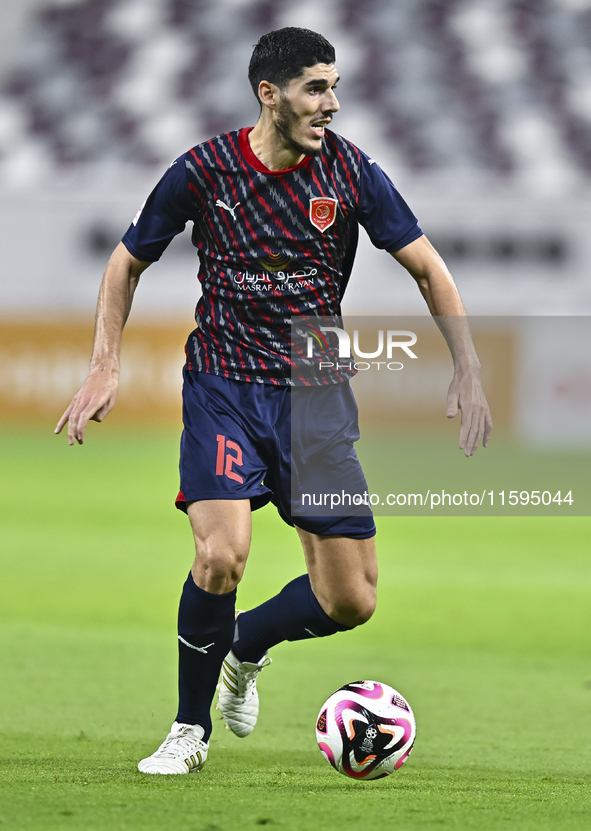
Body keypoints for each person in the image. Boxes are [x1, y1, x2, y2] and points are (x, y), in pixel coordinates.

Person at [55, 27, 492, 775]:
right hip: (224, 383)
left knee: (350, 599)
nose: (333, 103)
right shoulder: (204, 171)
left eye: (334, 86)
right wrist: (105, 364)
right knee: (220, 554)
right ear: (270, 94)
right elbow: (127, 260)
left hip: (315, 391)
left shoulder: (351, 173)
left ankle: (245, 642)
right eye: (317, 88)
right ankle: (189, 730)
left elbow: (427, 267)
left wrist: (468, 366)